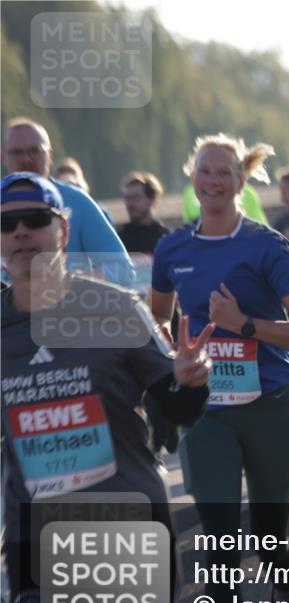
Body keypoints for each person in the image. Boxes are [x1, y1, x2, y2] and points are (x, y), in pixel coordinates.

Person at [1, 172, 212, 603]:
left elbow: (180, 409)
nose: (21, 232)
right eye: (7, 224)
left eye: (36, 220)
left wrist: (190, 380)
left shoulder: (116, 309)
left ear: (64, 231)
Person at [150, 134, 289, 603]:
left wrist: (242, 324)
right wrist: (175, 359)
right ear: (193, 177)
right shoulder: (172, 248)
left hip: (269, 406)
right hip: (206, 413)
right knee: (218, 544)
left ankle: (283, 587)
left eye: (224, 172)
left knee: (270, 533)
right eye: (205, 171)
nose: (213, 181)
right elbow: (155, 320)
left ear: (241, 181)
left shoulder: (268, 246)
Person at [2, 117, 132, 282]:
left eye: (35, 151)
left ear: (49, 155)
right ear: (3, 156)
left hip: (70, 305)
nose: (26, 159)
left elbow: (122, 269)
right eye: (17, 153)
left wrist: (68, 285)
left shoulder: (77, 202)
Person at [117, 170, 180, 471]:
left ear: (152, 199)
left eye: (136, 197)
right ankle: (152, 447)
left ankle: (170, 426)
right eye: (126, 197)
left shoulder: (165, 238)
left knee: (166, 384)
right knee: (141, 389)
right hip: (132, 322)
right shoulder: (118, 236)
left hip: (166, 321)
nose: (130, 203)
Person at [182, 181, 268, 227]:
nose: (213, 178)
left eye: (223, 172)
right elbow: (187, 223)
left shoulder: (247, 192)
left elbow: (259, 223)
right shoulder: (189, 192)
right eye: (205, 171)